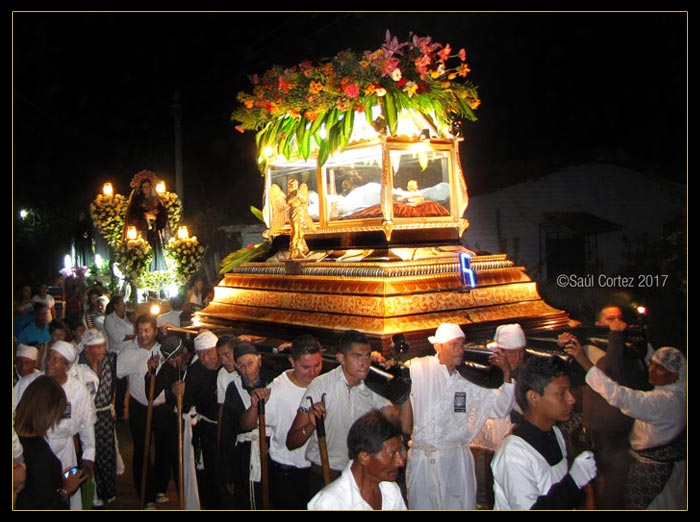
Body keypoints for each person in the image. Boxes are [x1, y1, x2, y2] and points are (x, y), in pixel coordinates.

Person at [402, 322, 514, 510]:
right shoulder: (418, 368)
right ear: (438, 347)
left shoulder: (470, 378)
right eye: (454, 345)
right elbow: (397, 377)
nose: (460, 350)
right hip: (423, 460)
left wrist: (507, 374)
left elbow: (500, 408)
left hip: (457, 462)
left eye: (462, 344)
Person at [565, 342, 686, 509]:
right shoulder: (674, 393)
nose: (651, 370)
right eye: (652, 364)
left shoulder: (666, 401)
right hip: (662, 470)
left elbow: (620, 396)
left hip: (657, 475)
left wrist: (583, 360)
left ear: (674, 375)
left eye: (660, 368)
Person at [286, 330, 395, 496]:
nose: (364, 363)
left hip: (362, 475)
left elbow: (402, 426)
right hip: (325, 475)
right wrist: (311, 424)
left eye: (367, 356)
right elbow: (292, 441)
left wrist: (399, 391)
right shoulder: (321, 385)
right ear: (341, 358)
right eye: (357, 357)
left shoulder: (373, 386)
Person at [491, 356, 597, 510]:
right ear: (534, 397)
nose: (571, 399)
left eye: (570, 391)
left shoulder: (555, 433)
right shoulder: (514, 454)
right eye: (561, 393)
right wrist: (573, 482)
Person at [14, 341, 96, 510]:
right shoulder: (29, 382)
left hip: (63, 450)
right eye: (48, 357)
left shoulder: (79, 390)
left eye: (55, 360)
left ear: (67, 365)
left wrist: (89, 453)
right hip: (29, 449)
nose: (49, 363)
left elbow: (86, 423)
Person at [245, 334, 323, 509]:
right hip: (288, 473)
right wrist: (254, 406)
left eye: (317, 365)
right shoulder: (278, 389)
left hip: (317, 470)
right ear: (292, 362)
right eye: (306, 367)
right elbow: (247, 425)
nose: (313, 372)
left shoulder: (324, 382)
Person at [471, 323, 528, 509]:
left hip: (511, 445)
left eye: (521, 351)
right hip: (484, 446)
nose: (518, 357)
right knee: (484, 497)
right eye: (512, 352)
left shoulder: (523, 372)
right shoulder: (484, 371)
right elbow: (500, 407)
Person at [308, 410, 407, 510]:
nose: (401, 462)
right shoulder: (330, 504)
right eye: (392, 454)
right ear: (364, 457)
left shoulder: (390, 491)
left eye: (400, 453)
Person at [220, 342, 277, 509]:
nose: (247, 369)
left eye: (250, 363)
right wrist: (227, 473)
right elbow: (228, 431)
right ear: (237, 367)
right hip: (247, 453)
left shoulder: (274, 381)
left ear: (259, 360)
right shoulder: (234, 389)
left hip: (274, 449)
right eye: (242, 365)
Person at [74, 329, 118, 508]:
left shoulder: (110, 360)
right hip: (84, 417)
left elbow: (115, 382)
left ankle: (109, 492)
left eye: (103, 346)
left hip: (104, 414)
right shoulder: (77, 366)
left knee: (107, 453)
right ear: (86, 349)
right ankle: (92, 493)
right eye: (97, 347)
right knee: (87, 455)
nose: (102, 350)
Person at [125, 172, 168, 272]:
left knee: (155, 253)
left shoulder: (156, 201)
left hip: (154, 233)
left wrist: (155, 218)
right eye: (144, 187)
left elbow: (163, 215)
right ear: (141, 188)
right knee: (144, 254)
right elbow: (132, 217)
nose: (147, 189)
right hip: (142, 234)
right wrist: (145, 215)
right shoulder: (137, 202)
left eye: (148, 187)